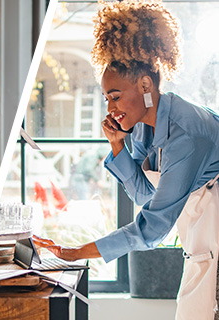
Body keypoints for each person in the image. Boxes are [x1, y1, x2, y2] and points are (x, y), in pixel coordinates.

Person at [32, 1, 219, 318]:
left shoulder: (187, 134)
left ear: (146, 85)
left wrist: (77, 253)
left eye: (115, 96)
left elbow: (153, 229)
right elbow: (148, 197)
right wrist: (118, 147)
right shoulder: (146, 128)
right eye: (107, 98)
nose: (110, 109)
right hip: (204, 246)